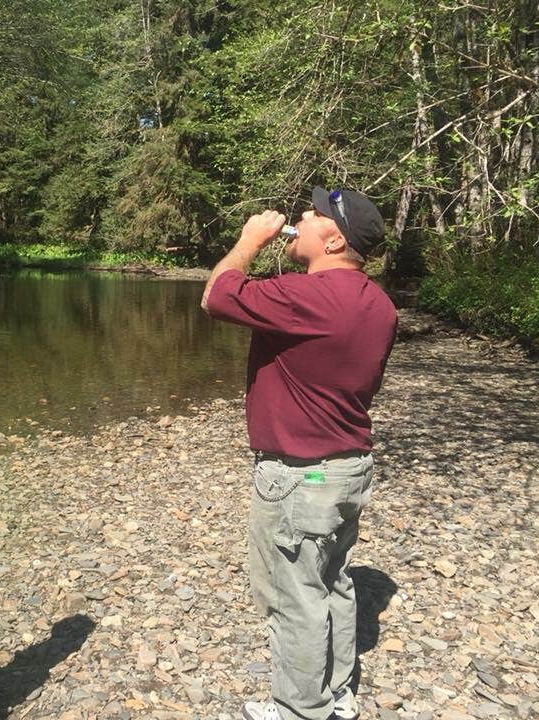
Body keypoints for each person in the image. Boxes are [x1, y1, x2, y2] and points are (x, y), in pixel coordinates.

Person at [202, 187, 397, 720]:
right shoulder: (378, 303)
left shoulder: (306, 296)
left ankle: (298, 708)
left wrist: (249, 240)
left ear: (333, 239)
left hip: (300, 476)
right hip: (350, 466)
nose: (300, 219)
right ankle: (335, 694)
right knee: (332, 581)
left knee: (293, 598)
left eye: (312, 215)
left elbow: (217, 295)